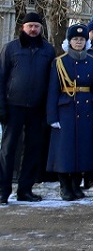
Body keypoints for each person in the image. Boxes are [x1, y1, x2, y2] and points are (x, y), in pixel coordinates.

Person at [0, 11, 55, 204]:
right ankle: (3, 190)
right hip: (13, 106)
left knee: (32, 150)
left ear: (41, 28)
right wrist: (1, 107)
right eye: (30, 26)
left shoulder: (48, 50)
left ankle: (25, 190)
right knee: (8, 149)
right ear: (23, 27)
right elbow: (1, 78)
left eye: (36, 26)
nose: (33, 29)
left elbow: (52, 82)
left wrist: (48, 109)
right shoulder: (10, 48)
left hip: (37, 108)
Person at [47, 22, 93, 201]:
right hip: (66, 110)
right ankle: (64, 185)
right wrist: (52, 116)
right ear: (69, 41)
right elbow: (53, 90)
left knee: (82, 149)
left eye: (82, 39)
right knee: (65, 149)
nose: (78, 42)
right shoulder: (59, 62)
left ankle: (76, 185)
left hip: (86, 109)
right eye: (75, 39)